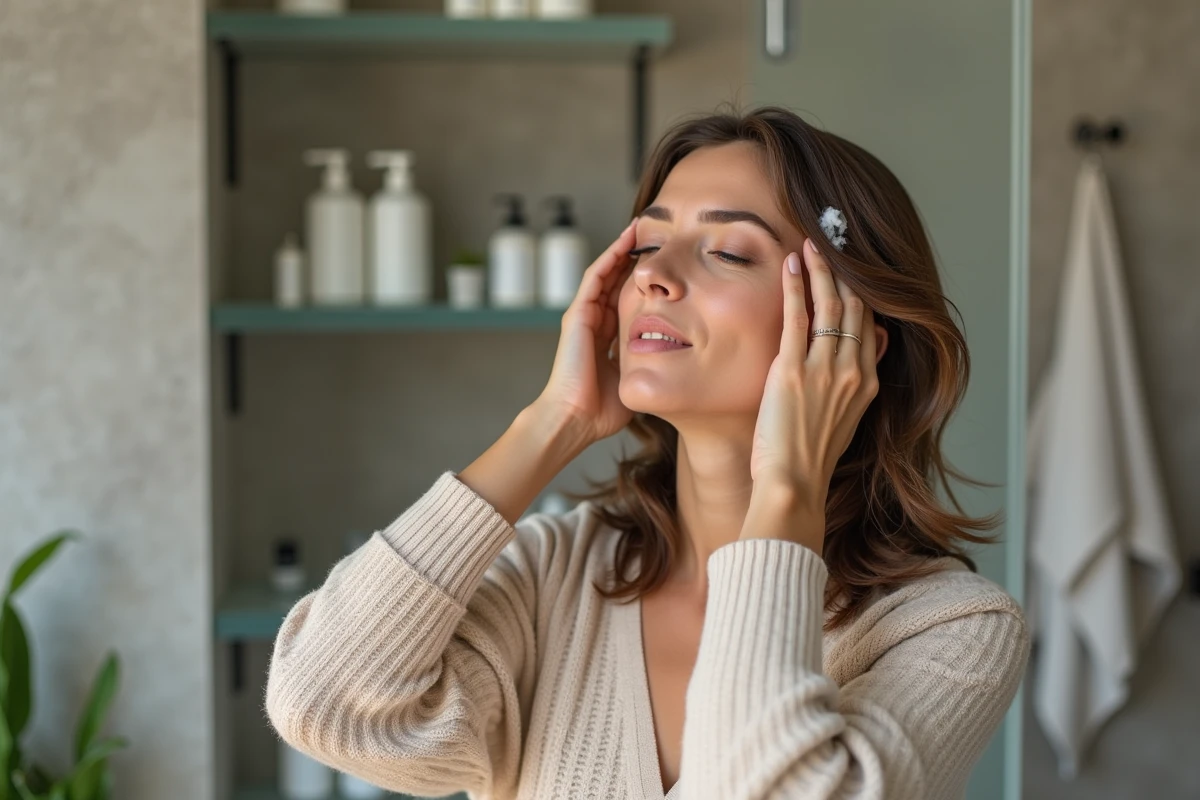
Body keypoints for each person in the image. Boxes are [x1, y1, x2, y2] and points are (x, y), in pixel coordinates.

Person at [264, 106, 1029, 800]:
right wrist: (551, 423)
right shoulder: (553, 579)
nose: (654, 277)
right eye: (650, 243)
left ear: (847, 336)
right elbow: (323, 703)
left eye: (728, 252)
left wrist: (788, 486)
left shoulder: (948, 630)